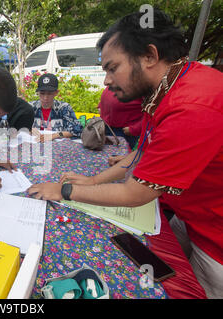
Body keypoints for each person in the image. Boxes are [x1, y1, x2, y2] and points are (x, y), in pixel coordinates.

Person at [27, 9, 223, 298]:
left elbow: (135, 194)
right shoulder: (166, 91)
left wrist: (63, 190)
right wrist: (93, 182)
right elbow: (143, 153)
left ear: (149, 56)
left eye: (112, 67)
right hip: (191, 214)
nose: (106, 80)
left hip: (216, 236)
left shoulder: (192, 105)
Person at [30, 73, 82, 142]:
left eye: (49, 93)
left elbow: (76, 129)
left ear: (56, 93)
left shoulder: (64, 108)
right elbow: (17, 125)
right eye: (42, 93)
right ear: (38, 92)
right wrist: (29, 129)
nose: (45, 98)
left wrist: (54, 135)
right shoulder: (31, 107)